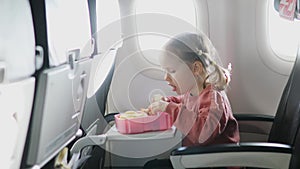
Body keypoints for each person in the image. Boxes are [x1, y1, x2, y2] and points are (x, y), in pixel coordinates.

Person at [143, 32, 240, 169]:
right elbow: (184, 102)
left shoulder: (215, 99)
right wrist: (167, 101)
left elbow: (202, 134)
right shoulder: (193, 92)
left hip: (216, 164)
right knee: (152, 165)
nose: (166, 77)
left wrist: (169, 108)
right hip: (199, 160)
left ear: (196, 68)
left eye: (171, 71)